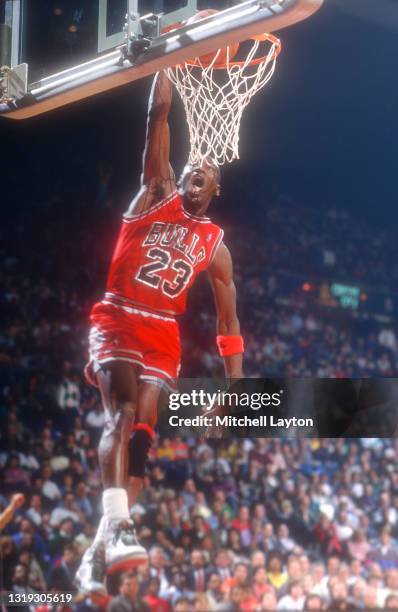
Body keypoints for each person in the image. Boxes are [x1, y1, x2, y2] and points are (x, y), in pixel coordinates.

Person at [76, 71, 243, 595]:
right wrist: (171, 60)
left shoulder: (216, 245)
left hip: (163, 333)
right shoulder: (156, 192)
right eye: (189, 170)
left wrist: (231, 387)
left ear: (217, 188)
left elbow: (228, 321)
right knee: (121, 414)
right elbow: (159, 117)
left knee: (143, 449)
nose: (192, 178)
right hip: (121, 314)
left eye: (203, 177)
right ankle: (120, 525)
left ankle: (96, 553)